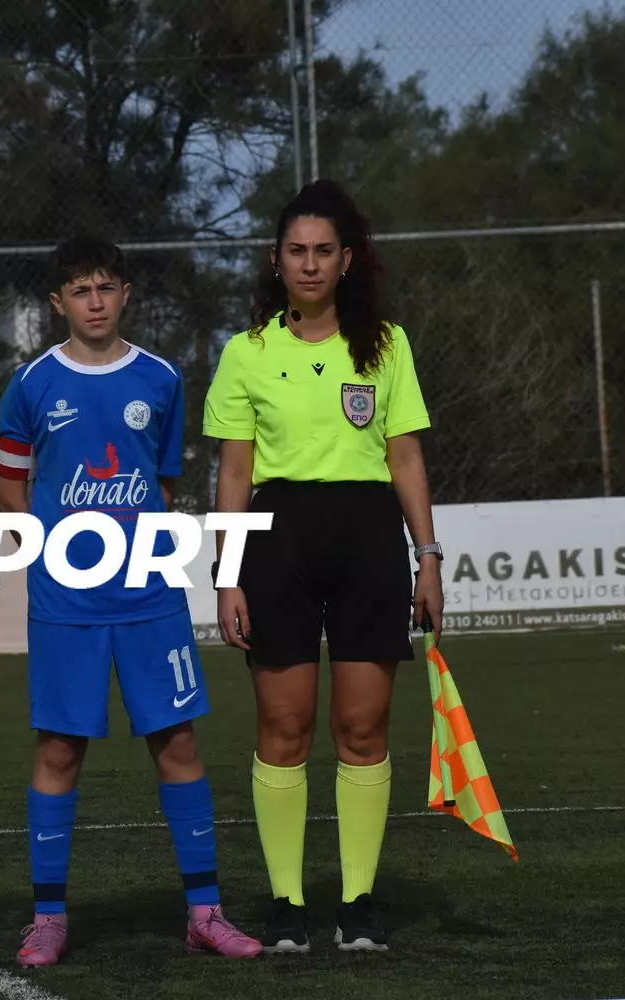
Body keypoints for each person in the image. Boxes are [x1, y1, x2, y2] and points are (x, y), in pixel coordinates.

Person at [0, 237, 263, 967]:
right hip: (66, 603)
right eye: (81, 291)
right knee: (59, 748)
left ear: (126, 295)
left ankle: (205, 912)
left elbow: (163, 484)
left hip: (149, 593)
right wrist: (48, 549)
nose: (95, 303)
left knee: (178, 743)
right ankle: (48, 918)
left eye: (106, 288)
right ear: (58, 303)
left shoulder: (161, 378)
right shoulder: (31, 385)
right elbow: (11, 486)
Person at [202, 179, 443, 954]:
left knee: (362, 729)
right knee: (285, 727)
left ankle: (358, 904)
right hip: (278, 545)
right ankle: (286, 903)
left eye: (323, 251)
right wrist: (228, 574)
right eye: (296, 251)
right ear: (276, 261)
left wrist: (427, 557)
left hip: (370, 542)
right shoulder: (245, 352)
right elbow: (234, 473)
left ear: (346, 260)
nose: (309, 264)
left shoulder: (387, 345)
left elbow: (405, 457)